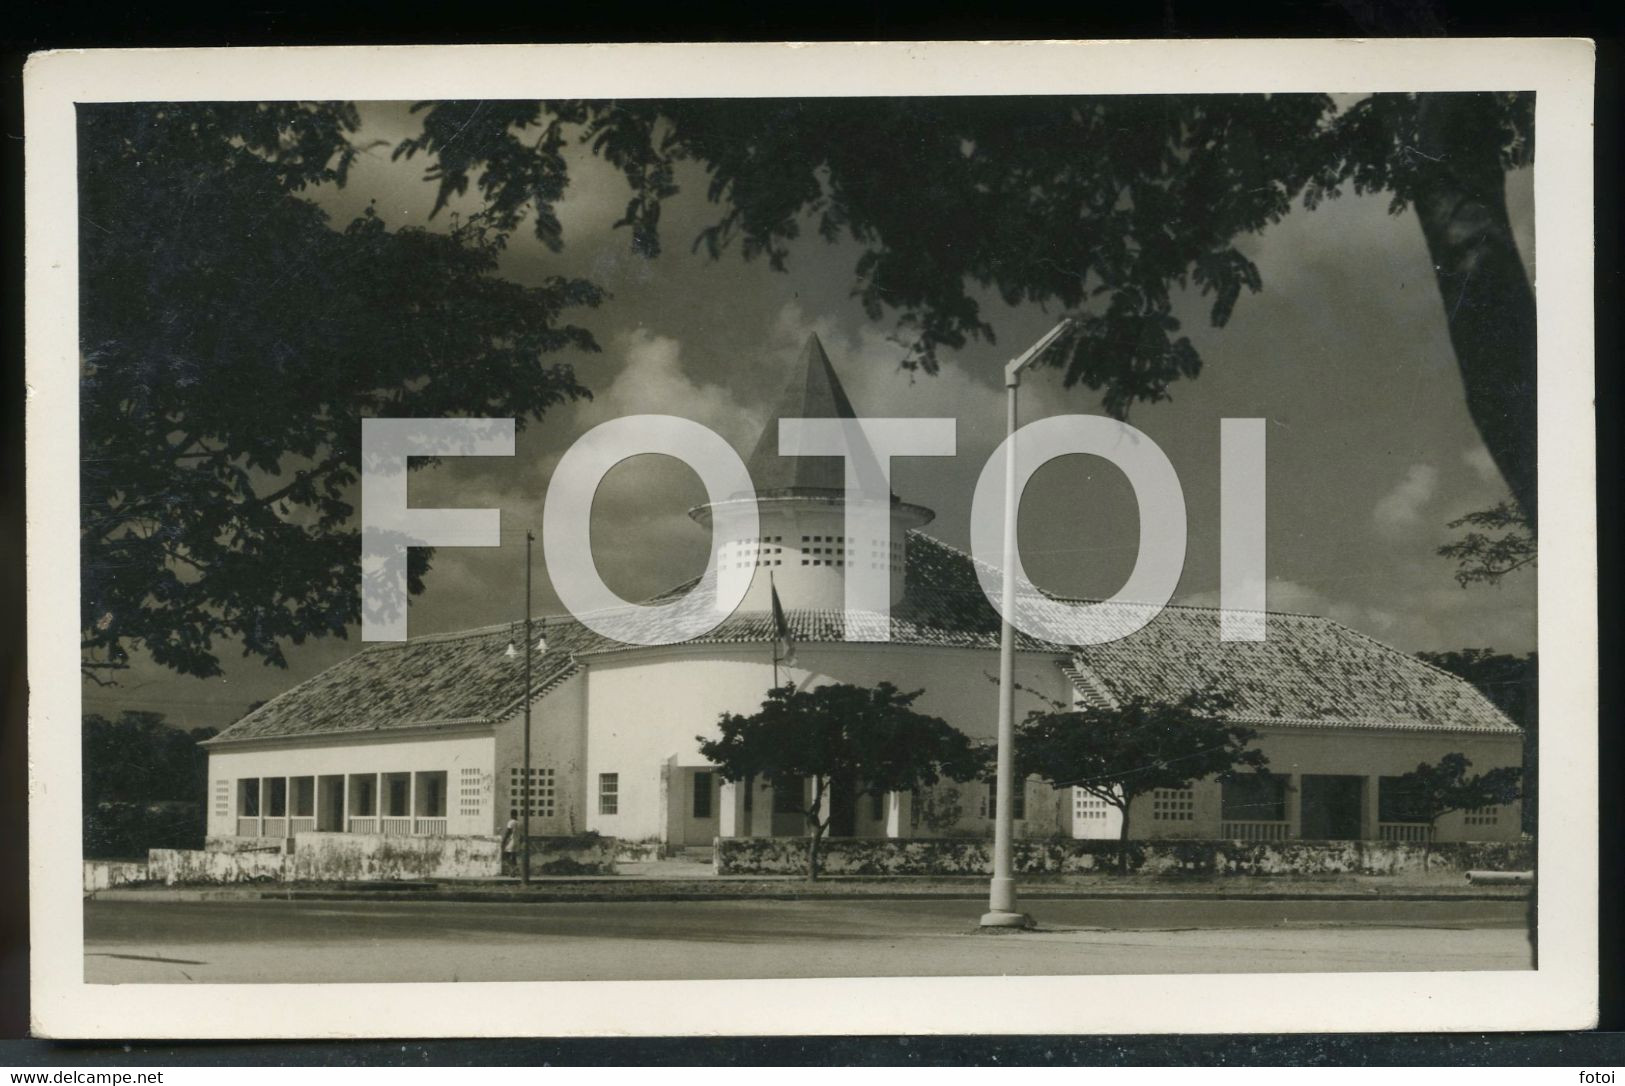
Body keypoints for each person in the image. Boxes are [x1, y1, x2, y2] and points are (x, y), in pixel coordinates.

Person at [500, 810, 519, 877]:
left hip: (512, 841)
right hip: (517, 841)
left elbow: (508, 832)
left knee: (505, 855)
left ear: (511, 815)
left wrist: (503, 841)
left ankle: (513, 869)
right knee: (513, 856)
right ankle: (514, 871)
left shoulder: (511, 822)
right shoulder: (519, 822)